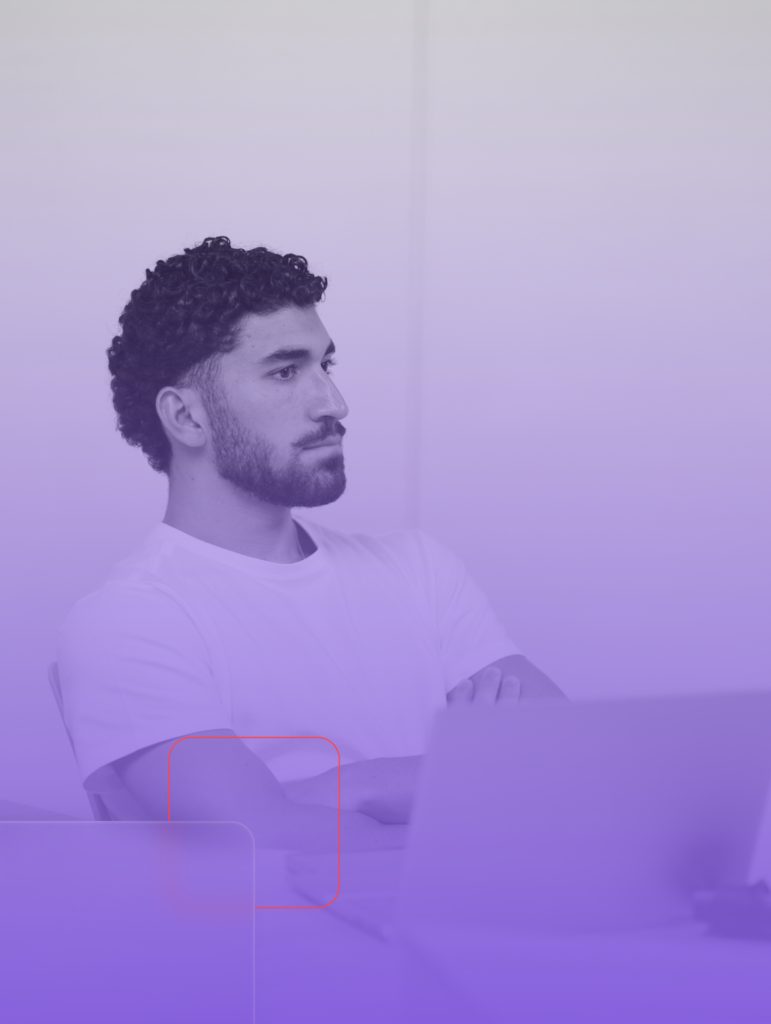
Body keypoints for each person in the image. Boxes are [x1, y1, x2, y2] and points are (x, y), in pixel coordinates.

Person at [57, 236, 563, 853]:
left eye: (326, 365)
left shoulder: (419, 570)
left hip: (486, 935)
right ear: (187, 418)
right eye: (284, 371)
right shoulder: (130, 620)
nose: (334, 403)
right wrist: (452, 780)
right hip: (290, 950)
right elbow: (259, 840)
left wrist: (347, 788)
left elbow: (569, 773)